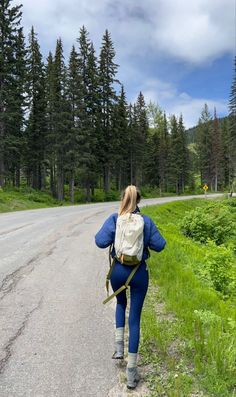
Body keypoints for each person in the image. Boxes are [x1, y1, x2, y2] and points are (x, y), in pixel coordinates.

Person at [95, 185, 166, 389]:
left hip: (118, 271)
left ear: (123, 200)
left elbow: (100, 242)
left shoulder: (115, 219)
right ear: (139, 201)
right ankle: (132, 373)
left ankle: (119, 348)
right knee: (134, 318)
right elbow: (160, 245)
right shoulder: (146, 221)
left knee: (120, 303)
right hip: (138, 273)